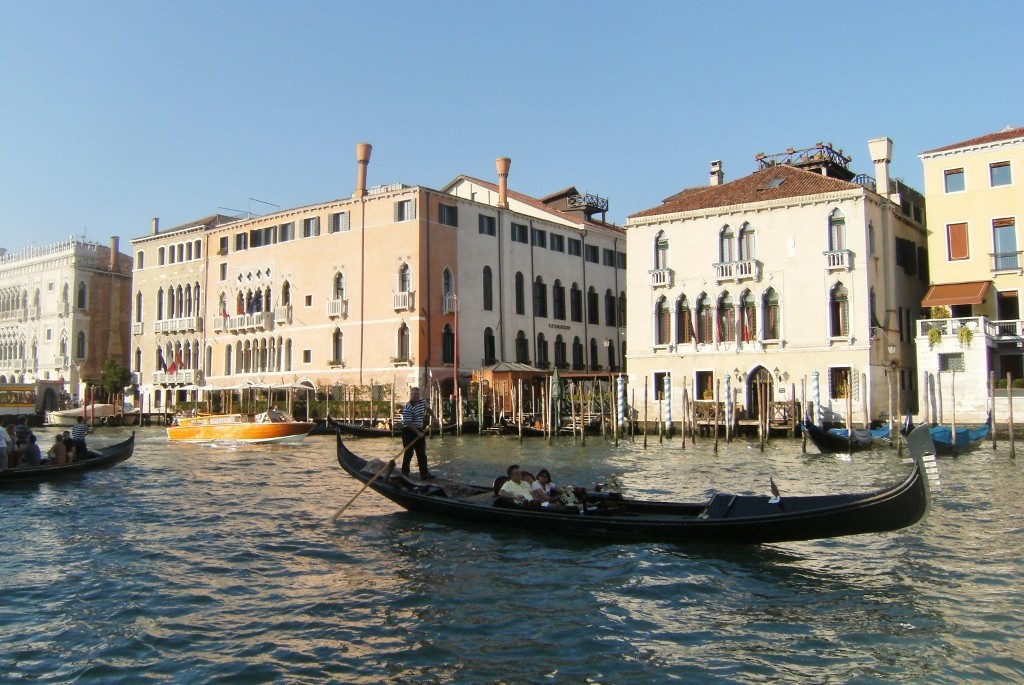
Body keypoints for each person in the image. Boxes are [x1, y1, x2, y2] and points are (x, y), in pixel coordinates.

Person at [400, 386, 435, 480]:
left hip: (419, 429)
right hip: (408, 431)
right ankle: (405, 472)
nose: (416, 396)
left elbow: (428, 409)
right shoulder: (408, 407)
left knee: (422, 454)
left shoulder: (422, 402)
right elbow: (408, 422)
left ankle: (424, 474)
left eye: (418, 394)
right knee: (409, 453)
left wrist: (434, 417)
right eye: (414, 394)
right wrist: (417, 433)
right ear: (411, 395)